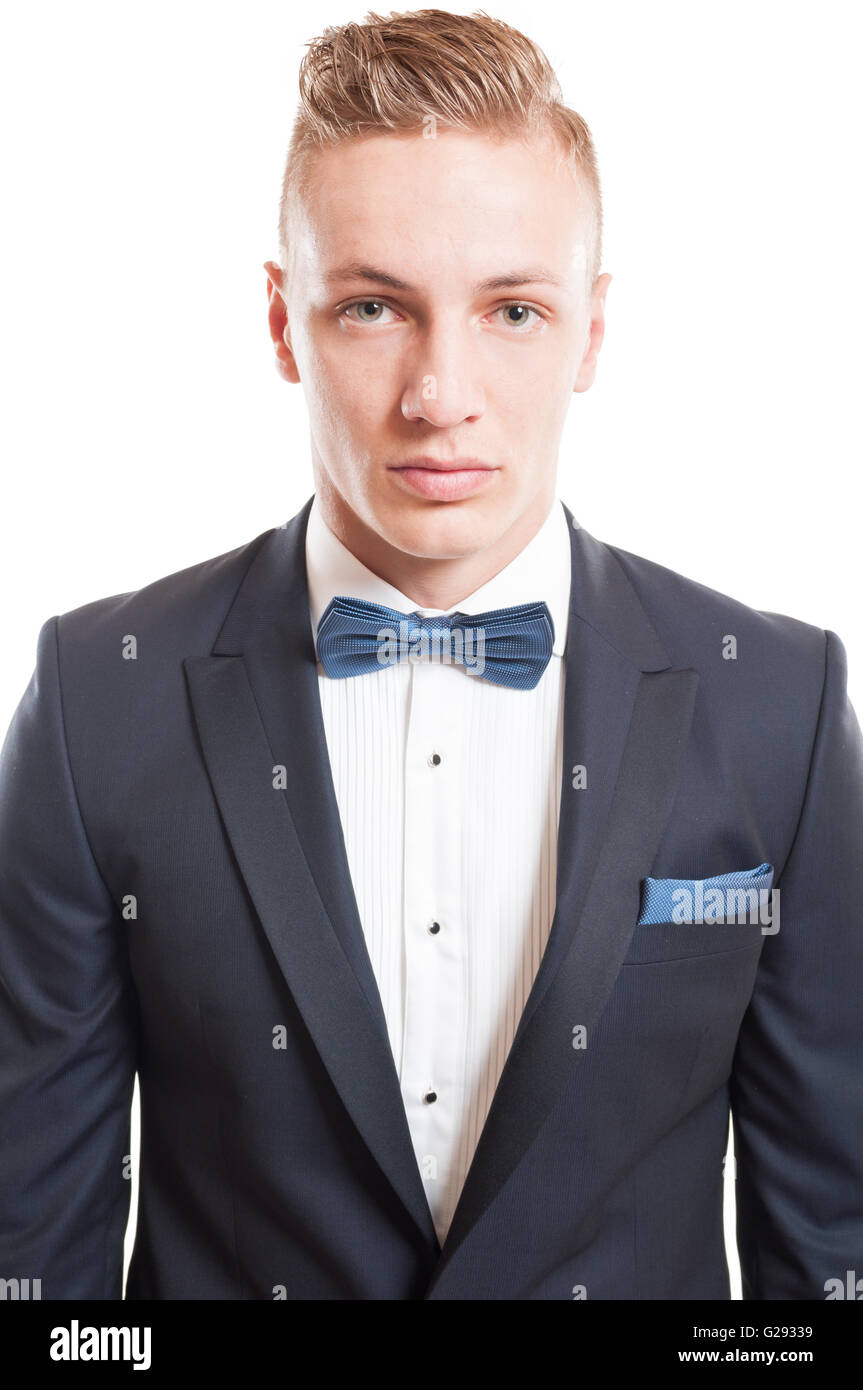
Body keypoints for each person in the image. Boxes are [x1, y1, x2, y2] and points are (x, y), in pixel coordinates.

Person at [1, 8, 861, 1301]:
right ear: (284, 323)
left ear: (592, 332)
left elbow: (834, 1251)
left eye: (512, 308)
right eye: (372, 308)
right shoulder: (90, 705)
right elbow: (33, 1261)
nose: (439, 392)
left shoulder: (780, 706)